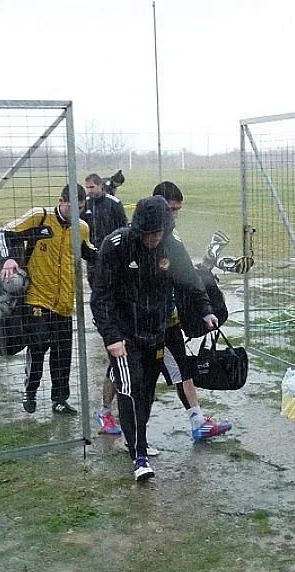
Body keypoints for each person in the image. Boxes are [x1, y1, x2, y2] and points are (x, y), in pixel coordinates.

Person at [90, 195, 217, 481]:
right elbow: (101, 297)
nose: (153, 239)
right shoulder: (116, 246)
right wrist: (112, 336)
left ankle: (138, 440)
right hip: (123, 335)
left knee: (146, 391)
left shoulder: (172, 246)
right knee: (131, 388)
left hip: (156, 331)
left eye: (158, 233)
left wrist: (206, 310)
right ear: (138, 229)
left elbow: (190, 280)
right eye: (147, 233)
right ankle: (140, 457)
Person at [0, 184, 97, 415]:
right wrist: (9, 259)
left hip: (65, 301)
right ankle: (30, 391)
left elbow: (90, 252)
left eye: (80, 208)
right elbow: (5, 233)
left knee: (62, 352)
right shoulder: (39, 217)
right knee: (39, 343)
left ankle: (59, 399)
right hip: (37, 297)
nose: (76, 213)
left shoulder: (82, 228)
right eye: (72, 207)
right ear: (60, 201)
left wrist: (112, 257)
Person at [152, 181, 232, 441]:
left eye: (178, 210)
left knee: (182, 369)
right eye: (171, 209)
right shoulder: (136, 238)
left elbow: (186, 274)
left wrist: (206, 308)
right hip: (140, 325)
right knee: (127, 375)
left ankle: (199, 423)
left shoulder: (172, 238)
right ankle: (107, 412)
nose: (175, 215)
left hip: (168, 320)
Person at [83, 173, 130, 436]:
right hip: (94, 260)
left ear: (101, 186)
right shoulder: (86, 205)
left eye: (92, 186)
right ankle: (107, 411)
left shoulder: (114, 203)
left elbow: (124, 228)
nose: (89, 190)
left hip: (112, 258)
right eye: (87, 187)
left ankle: (121, 408)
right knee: (99, 293)